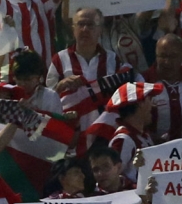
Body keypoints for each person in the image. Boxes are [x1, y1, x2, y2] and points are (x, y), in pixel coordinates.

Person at [47, 8, 127, 138]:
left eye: (90, 25)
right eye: (80, 24)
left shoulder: (112, 59)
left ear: (100, 30)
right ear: (73, 29)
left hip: (104, 132)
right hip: (71, 133)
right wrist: (60, 86)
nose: (84, 29)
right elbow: (47, 100)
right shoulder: (59, 59)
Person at [144, 33, 182, 142]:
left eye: (173, 56)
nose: (167, 62)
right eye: (162, 56)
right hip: (154, 151)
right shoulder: (143, 82)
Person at [107, 82, 161, 182]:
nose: (153, 105)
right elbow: (111, 179)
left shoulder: (144, 136)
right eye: (149, 99)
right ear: (140, 103)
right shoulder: (123, 139)